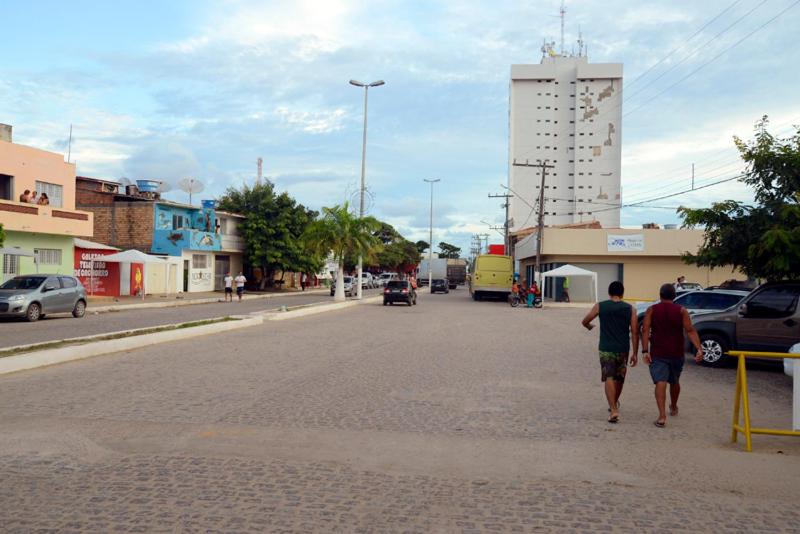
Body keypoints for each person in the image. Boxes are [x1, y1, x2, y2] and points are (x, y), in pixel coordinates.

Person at [641, 283, 703, 428]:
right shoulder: (682, 310)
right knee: (674, 381)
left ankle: (662, 416)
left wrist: (645, 351)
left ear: (660, 295)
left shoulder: (652, 310)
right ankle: (673, 406)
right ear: (674, 296)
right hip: (676, 352)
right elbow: (690, 330)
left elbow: (645, 330)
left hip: (658, 352)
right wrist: (699, 349)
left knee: (660, 382)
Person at [581, 281, 639, 423]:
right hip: (623, 349)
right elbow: (635, 331)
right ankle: (614, 404)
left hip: (606, 348)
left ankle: (613, 408)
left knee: (609, 377)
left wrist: (589, 326)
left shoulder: (601, 306)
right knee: (619, 378)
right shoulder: (630, 309)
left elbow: (585, 320)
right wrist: (636, 353)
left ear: (609, 292)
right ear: (622, 293)